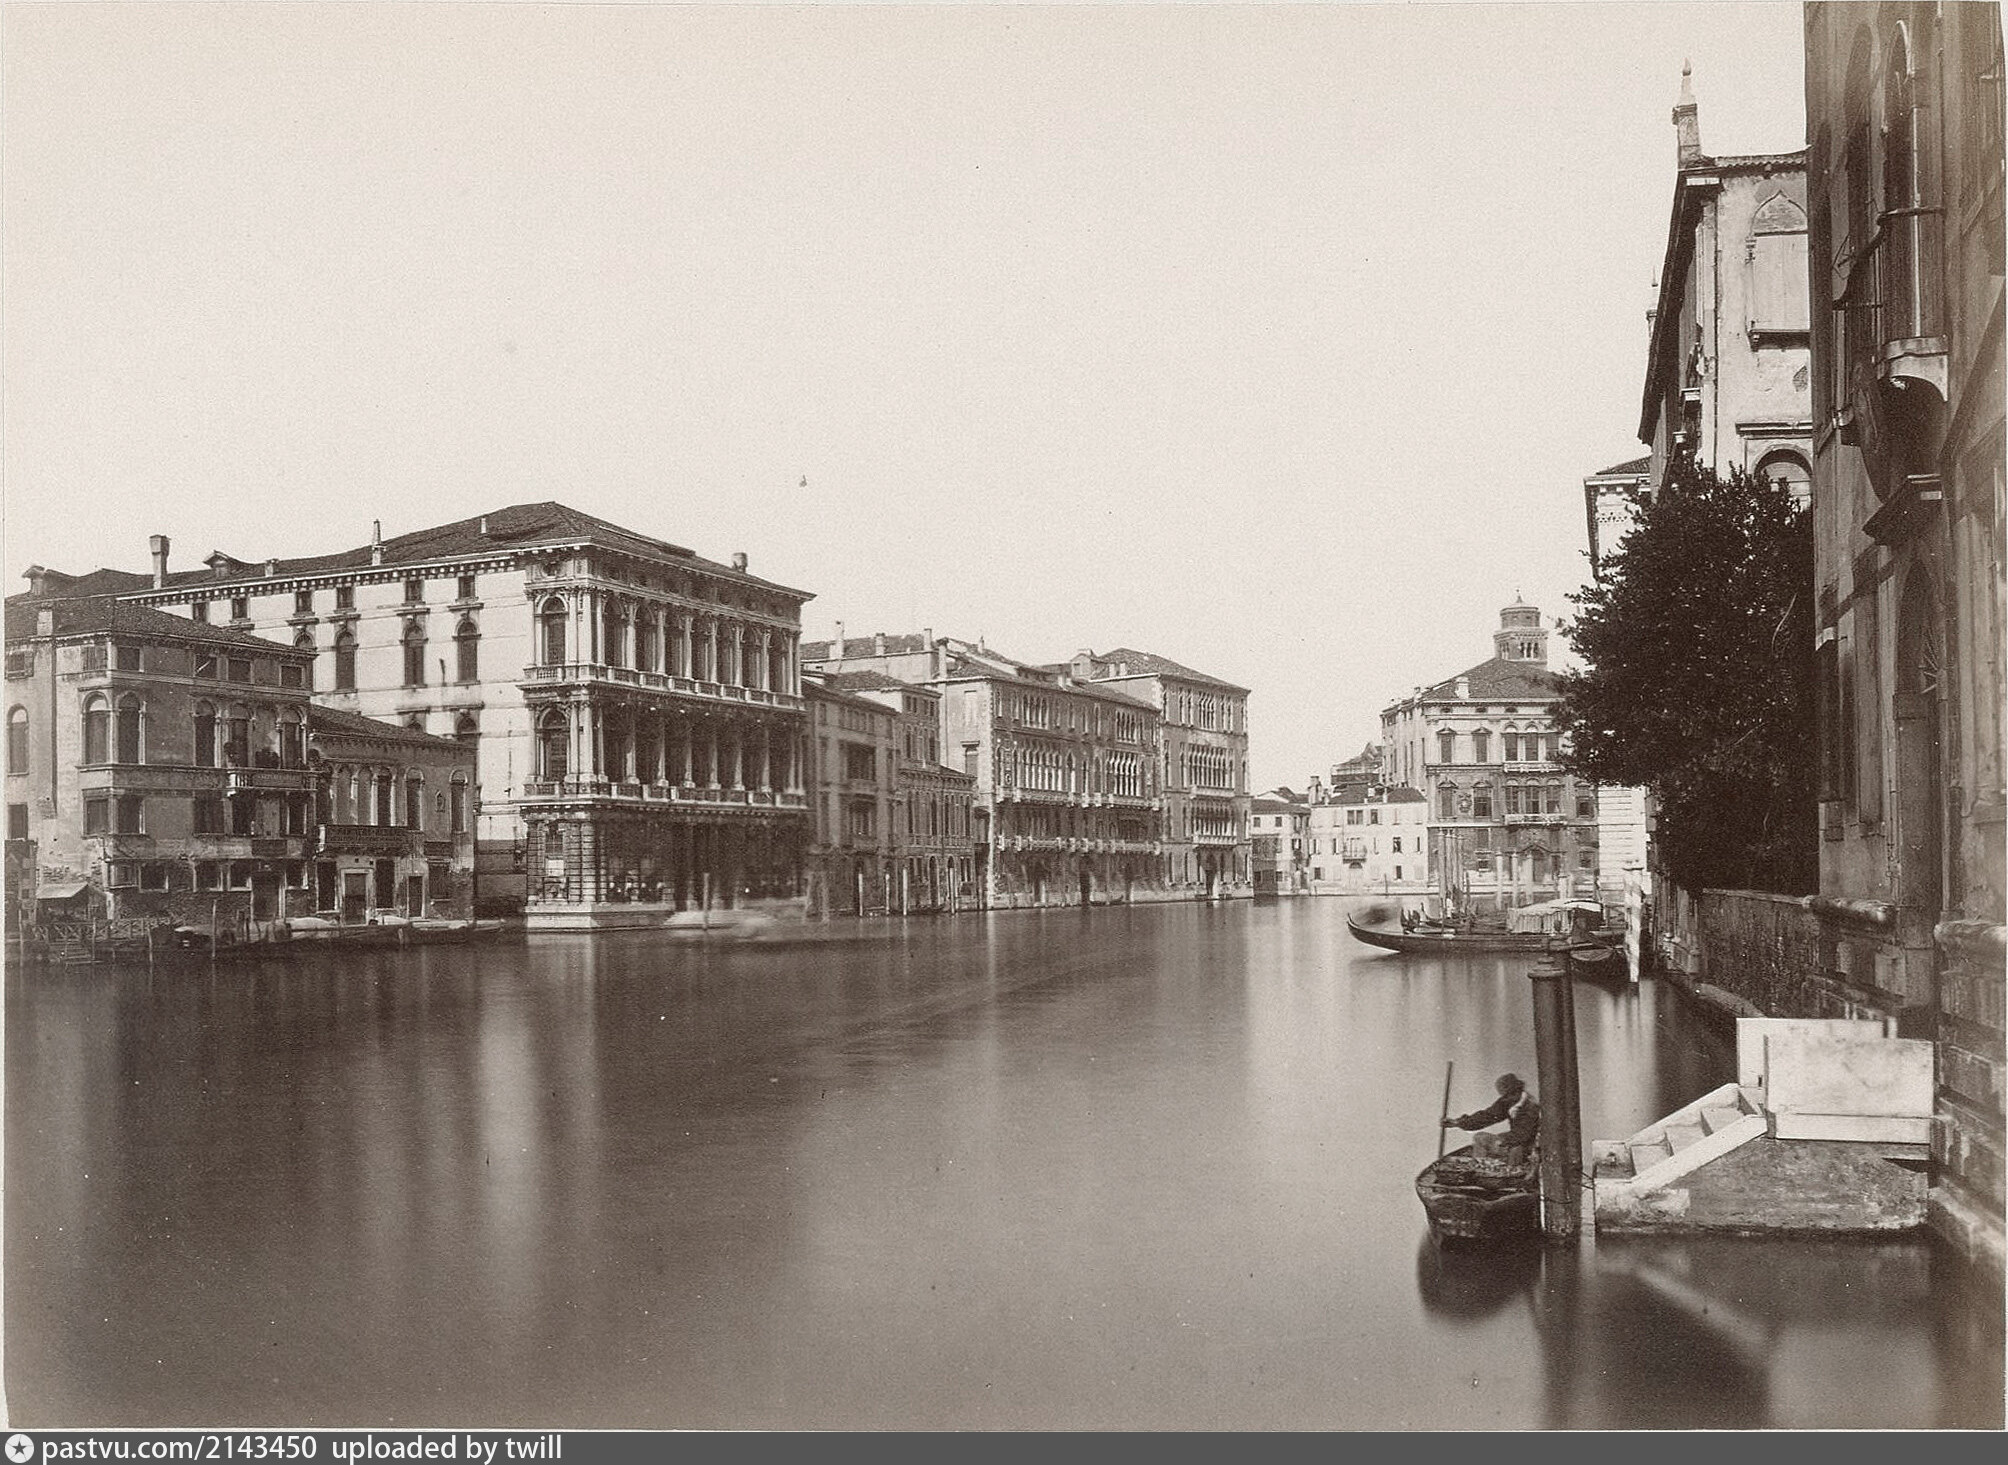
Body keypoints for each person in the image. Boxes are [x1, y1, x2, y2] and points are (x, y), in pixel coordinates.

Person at [1442, 1073, 1540, 1167]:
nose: (1505, 1098)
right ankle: (1481, 1168)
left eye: (1508, 1095)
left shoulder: (1530, 1106)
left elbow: (1523, 1135)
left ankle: (1510, 1172)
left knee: (1516, 1149)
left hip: (1529, 1146)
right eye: (1504, 1095)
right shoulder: (1508, 1101)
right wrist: (1458, 1123)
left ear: (1517, 1091)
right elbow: (1487, 1116)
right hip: (1514, 1141)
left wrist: (1503, 1139)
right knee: (1480, 1138)